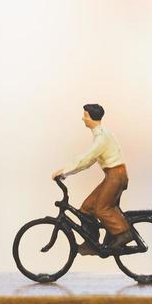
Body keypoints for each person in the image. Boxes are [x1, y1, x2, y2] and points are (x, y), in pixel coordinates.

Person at [51, 103, 133, 254]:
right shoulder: (100, 134)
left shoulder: (102, 137)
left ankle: (124, 233)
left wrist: (65, 171)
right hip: (112, 175)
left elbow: (87, 157)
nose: (83, 119)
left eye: (85, 115)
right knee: (86, 209)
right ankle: (91, 242)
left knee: (101, 208)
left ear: (92, 117)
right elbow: (88, 160)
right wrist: (67, 172)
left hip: (116, 175)